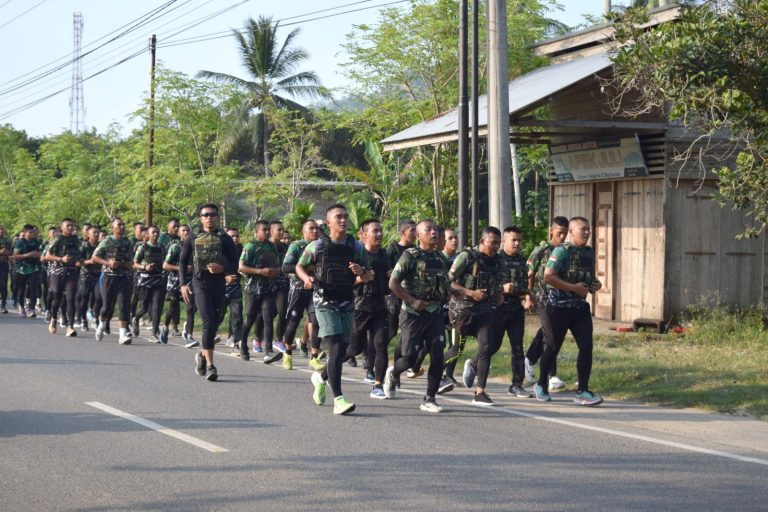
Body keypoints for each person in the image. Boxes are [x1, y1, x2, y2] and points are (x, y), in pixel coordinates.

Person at [296, 204, 367, 416]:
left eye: (345, 216)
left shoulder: (356, 247)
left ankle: (321, 377)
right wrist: (306, 278)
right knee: (335, 347)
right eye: (339, 217)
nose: (343, 220)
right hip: (324, 301)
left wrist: (360, 271)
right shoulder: (316, 246)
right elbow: (299, 265)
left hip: (346, 300)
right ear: (328, 222)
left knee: (343, 349)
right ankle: (339, 399)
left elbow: (367, 273)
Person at [386, 219, 452, 413]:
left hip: (435, 313)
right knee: (409, 358)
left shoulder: (441, 258)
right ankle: (394, 372)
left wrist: (455, 292)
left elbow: (446, 283)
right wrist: (412, 301)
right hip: (413, 314)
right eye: (428, 229)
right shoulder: (410, 256)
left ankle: (430, 398)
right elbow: (393, 283)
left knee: (438, 354)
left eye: (435, 230)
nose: (434, 233)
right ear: (418, 235)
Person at [536, 216, 603, 406]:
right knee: (552, 347)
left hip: (579, 308)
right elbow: (548, 277)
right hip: (558, 308)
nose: (587, 233)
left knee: (586, 347)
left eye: (589, 229)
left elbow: (587, 278)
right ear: (572, 232)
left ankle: (583, 390)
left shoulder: (588, 253)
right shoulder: (561, 252)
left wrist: (595, 284)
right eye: (583, 229)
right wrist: (574, 288)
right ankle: (541, 384)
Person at [444, 226, 504, 406]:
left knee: (486, 348)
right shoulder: (467, 257)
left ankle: (480, 393)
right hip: (462, 312)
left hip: (484, 311)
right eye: (492, 243)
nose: (495, 247)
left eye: (498, 244)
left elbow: (496, 283)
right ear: (482, 241)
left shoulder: (499, 261)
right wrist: (470, 293)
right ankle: (437, 374)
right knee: (456, 350)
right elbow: (448, 281)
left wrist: (498, 294)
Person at [180, 204, 238, 381]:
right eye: (205, 215)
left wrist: (223, 268)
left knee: (215, 322)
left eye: (212, 215)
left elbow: (235, 264)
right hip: (200, 284)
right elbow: (182, 261)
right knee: (208, 321)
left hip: (219, 285)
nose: (209, 218)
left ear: (217, 217)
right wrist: (183, 284)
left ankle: (202, 355)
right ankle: (212, 366)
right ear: (200, 218)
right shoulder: (192, 236)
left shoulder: (225, 238)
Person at [525, 216, 569, 389]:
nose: (563, 237)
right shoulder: (541, 250)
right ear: (552, 231)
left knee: (548, 332)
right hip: (543, 297)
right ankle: (551, 376)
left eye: (565, 233)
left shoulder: (567, 251)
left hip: (561, 299)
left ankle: (530, 359)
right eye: (560, 233)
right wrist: (529, 296)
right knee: (551, 336)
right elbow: (530, 272)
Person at [350, 219, 391, 398]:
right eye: (375, 231)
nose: (380, 234)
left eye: (381, 231)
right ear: (364, 234)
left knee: (381, 344)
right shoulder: (357, 255)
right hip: (360, 307)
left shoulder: (385, 255)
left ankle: (378, 385)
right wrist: (362, 278)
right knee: (354, 349)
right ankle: (325, 374)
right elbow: (347, 282)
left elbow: (391, 278)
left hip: (380, 306)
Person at [238, 220, 282, 365]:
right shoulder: (251, 246)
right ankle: (243, 345)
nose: (268, 232)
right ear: (256, 231)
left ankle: (268, 351)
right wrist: (260, 271)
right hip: (253, 289)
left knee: (268, 318)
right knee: (250, 319)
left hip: (269, 288)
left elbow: (278, 266)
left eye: (269, 229)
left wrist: (274, 272)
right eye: (264, 230)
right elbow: (241, 267)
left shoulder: (272, 246)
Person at [281, 219, 322, 370]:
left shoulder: (322, 246)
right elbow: (285, 267)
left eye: (317, 229)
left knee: (316, 321)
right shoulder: (296, 246)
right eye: (311, 228)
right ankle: (288, 352)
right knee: (293, 321)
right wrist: (306, 268)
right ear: (303, 232)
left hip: (315, 289)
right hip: (298, 288)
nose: (315, 231)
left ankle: (314, 357)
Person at [497, 226, 532, 398]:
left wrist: (529, 297)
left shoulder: (521, 260)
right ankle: (474, 366)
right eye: (513, 240)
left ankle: (517, 384)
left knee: (517, 347)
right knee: (491, 346)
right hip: (497, 309)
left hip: (516, 310)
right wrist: (501, 289)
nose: (517, 243)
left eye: (519, 240)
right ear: (504, 242)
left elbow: (525, 284)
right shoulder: (496, 260)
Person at [92, 218, 135, 345]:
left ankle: (122, 335)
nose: (122, 227)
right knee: (107, 306)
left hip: (124, 277)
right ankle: (101, 324)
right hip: (108, 277)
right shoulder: (107, 241)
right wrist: (108, 263)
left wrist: (129, 264)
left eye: (123, 224)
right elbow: (94, 257)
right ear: (113, 227)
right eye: (119, 225)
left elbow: (131, 259)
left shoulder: (128, 242)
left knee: (123, 305)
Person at [46, 218, 84, 336]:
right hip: (58, 272)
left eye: (73, 225)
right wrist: (60, 259)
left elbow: (78, 255)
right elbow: (47, 256)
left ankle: (70, 327)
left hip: (72, 273)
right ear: (61, 228)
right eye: (68, 225)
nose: (71, 228)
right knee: (57, 299)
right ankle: (53, 319)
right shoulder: (58, 239)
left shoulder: (76, 240)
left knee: (70, 298)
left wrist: (80, 261)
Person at [131, 226, 167, 343]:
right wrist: (144, 267)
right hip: (145, 280)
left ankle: (154, 333)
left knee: (156, 307)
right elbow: (134, 263)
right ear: (148, 234)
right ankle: (136, 319)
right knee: (144, 308)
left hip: (158, 279)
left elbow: (166, 262)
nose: (155, 234)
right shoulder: (143, 247)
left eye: (157, 232)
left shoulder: (162, 247)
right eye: (153, 232)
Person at [161, 224, 194, 344]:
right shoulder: (175, 247)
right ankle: (165, 326)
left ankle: (188, 333)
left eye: (187, 230)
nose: (186, 232)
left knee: (191, 307)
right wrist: (182, 268)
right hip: (175, 280)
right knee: (173, 304)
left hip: (190, 281)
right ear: (179, 234)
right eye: (183, 231)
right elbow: (165, 265)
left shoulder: (194, 246)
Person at [12, 224, 41, 318]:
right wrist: (27, 255)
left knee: (33, 288)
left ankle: (32, 308)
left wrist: (37, 255)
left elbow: (39, 252)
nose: (32, 233)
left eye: (33, 232)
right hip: (22, 269)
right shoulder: (20, 242)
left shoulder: (35, 241)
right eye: (30, 232)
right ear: (24, 233)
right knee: (22, 288)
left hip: (33, 268)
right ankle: (21, 307)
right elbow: (15, 256)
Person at [222, 227, 244, 351]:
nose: (234, 238)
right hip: (220, 287)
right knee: (218, 315)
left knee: (237, 315)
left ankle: (236, 342)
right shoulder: (219, 249)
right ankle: (210, 336)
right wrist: (225, 277)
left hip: (235, 287)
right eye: (231, 236)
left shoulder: (242, 249)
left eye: (237, 236)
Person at [76, 226, 101, 332]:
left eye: (97, 232)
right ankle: (83, 320)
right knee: (84, 297)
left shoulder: (101, 246)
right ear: (88, 234)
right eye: (94, 232)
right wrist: (89, 262)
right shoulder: (84, 246)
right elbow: (77, 263)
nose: (96, 234)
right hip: (86, 275)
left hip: (98, 275)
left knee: (99, 298)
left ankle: (96, 319)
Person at [0, 224, 11, 313]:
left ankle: (3, 305)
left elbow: (12, 251)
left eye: (2, 229)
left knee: (3, 284)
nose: (1, 231)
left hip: (4, 264)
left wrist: (7, 252)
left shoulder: (7, 240)